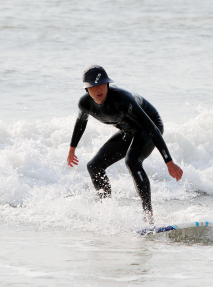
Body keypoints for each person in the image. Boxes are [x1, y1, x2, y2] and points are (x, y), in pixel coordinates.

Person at [67, 65, 183, 223]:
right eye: (93, 87)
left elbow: (152, 129)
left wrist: (169, 162)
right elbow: (81, 123)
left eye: (101, 85)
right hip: (128, 131)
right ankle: (107, 211)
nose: (98, 90)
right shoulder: (85, 104)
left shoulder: (122, 100)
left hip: (149, 127)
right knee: (94, 166)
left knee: (132, 161)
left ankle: (148, 216)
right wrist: (72, 149)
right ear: (87, 90)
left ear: (107, 84)